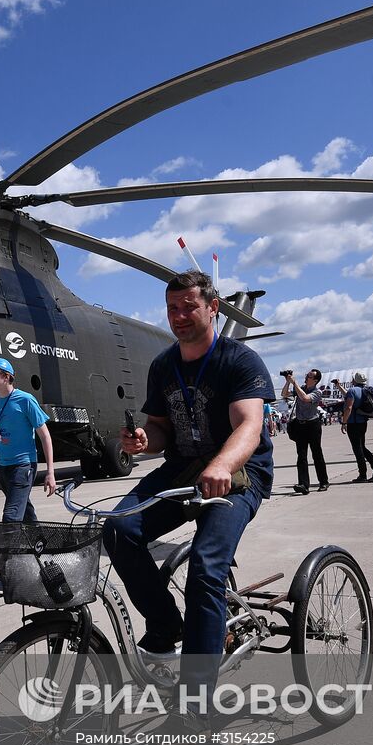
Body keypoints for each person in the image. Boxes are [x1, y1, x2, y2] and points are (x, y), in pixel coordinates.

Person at [105, 270, 274, 710]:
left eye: (189, 307)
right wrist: (144, 441)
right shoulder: (164, 365)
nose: (179, 316)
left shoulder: (239, 360)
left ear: (212, 308)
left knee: (205, 568)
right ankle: (165, 628)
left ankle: (199, 695)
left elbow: (249, 425)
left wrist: (222, 463)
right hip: (183, 469)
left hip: (238, 474)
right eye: (172, 308)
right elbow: (160, 428)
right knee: (119, 530)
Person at [0, 356, 57, 594]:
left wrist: (50, 472)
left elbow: (45, 436)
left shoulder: (25, 400)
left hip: (23, 466)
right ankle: (46, 560)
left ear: (7, 376)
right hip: (3, 467)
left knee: (11, 519)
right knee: (26, 515)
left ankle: (8, 575)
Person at [281, 368, 329, 494]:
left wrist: (294, 383)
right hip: (300, 425)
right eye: (307, 375)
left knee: (317, 454)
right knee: (301, 456)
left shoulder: (317, 392)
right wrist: (288, 382)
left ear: (315, 380)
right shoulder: (300, 387)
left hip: (313, 425)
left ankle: (323, 481)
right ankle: (303, 484)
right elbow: (284, 394)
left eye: (309, 376)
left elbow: (306, 398)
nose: (306, 377)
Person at [341, 371, 373, 482]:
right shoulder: (365, 390)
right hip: (363, 422)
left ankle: (363, 474)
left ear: (354, 380)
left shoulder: (352, 391)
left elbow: (349, 407)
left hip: (353, 423)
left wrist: (344, 422)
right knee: (362, 447)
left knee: (358, 449)